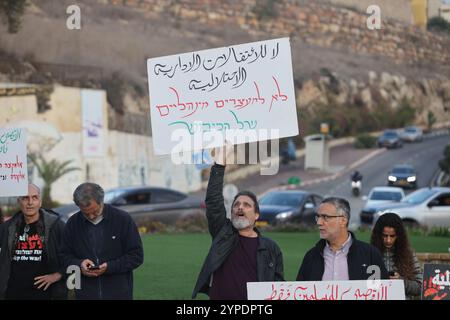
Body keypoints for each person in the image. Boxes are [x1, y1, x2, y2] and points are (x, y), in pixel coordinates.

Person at [192, 144, 284, 300]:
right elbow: (213, 202)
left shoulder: (271, 248)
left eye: (246, 205)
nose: (240, 207)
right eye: (236, 205)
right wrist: (221, 162)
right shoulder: (223, 234)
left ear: (256, 215)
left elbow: (278, 287)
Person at [60, 182, 144, 300]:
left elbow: (136, 256)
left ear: (102, 201)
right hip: (84, 295)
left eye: (94, 211)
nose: (91, 216)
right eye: (85, 213)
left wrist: (109, 267)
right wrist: (79, 265)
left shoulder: (123, 219)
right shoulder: (72, 224)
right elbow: (64, 257)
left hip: (119, 294)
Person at [0, 183, 67, 300]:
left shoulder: (56, 225)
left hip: (46, 294)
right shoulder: (7, 227)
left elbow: (73, 254)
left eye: (34, 197)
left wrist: (58, 275)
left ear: (40, 202)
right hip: (13, 293)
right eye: (25, 198)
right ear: (18, 201)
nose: (30, 202)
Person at [296, 197, 388, 281]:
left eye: (325, 217)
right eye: (318, 217)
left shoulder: (370, 254)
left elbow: (382, 292)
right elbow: (300, 292)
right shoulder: (311, 256)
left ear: (343, 221)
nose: (319, 222)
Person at [370, 212, 422, 299]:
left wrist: (401, 282)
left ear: (399, 236)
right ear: (378, 235)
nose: (388, 240)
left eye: (392, 236)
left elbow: (421, 287)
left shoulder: (409, 254)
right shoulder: (369, 253)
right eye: (385, 236)